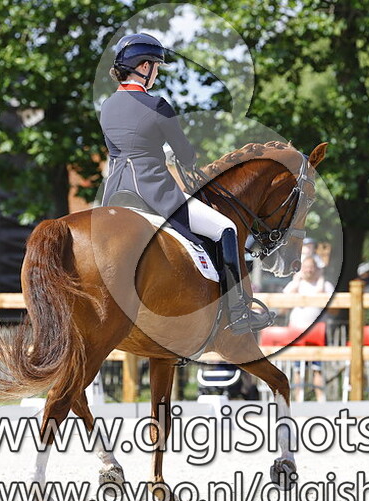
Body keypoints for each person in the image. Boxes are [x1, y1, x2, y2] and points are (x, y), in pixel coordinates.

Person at [99, 33, 274, 334]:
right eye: (156, 66)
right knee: (226, 228)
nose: (156, 73)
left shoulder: (107, 107)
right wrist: (181, 156)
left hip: (115, 194)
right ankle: (238, 311)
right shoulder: (157, 105)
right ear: (144, 66)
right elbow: (185, 154)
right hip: (153, 192)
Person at [282, 256, 334, 401]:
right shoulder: (294, 285)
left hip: (318, 334)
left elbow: (333, 309)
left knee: (318, 369)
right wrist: (295, 282)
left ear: (317, 269)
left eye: (311, 267)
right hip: (297, 332)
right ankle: (299, 399)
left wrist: (321, 282)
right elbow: (282, 308)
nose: (308, 270)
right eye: (306, 267)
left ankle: (321, 400)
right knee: (298, 369)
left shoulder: (326, 285)